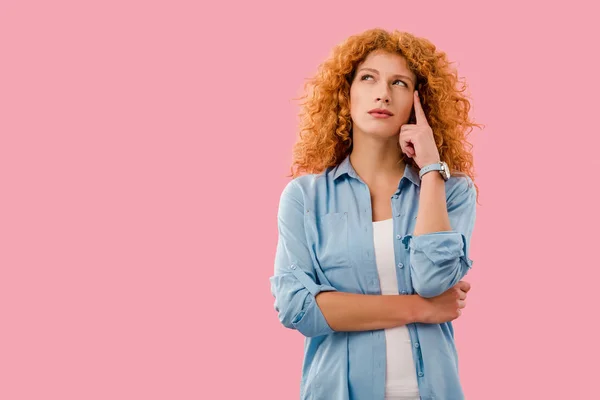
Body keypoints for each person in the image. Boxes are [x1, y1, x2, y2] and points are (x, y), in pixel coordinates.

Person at [269, 28, 482, 400]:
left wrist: (431, 168)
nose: (382, 93)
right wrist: (421, 308)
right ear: (345, 93)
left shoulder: (452, 191)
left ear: (420, 103)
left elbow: (433, 279)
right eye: (368, 78)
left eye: (399, 82)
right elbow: (299, 310)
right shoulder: (304, 198)